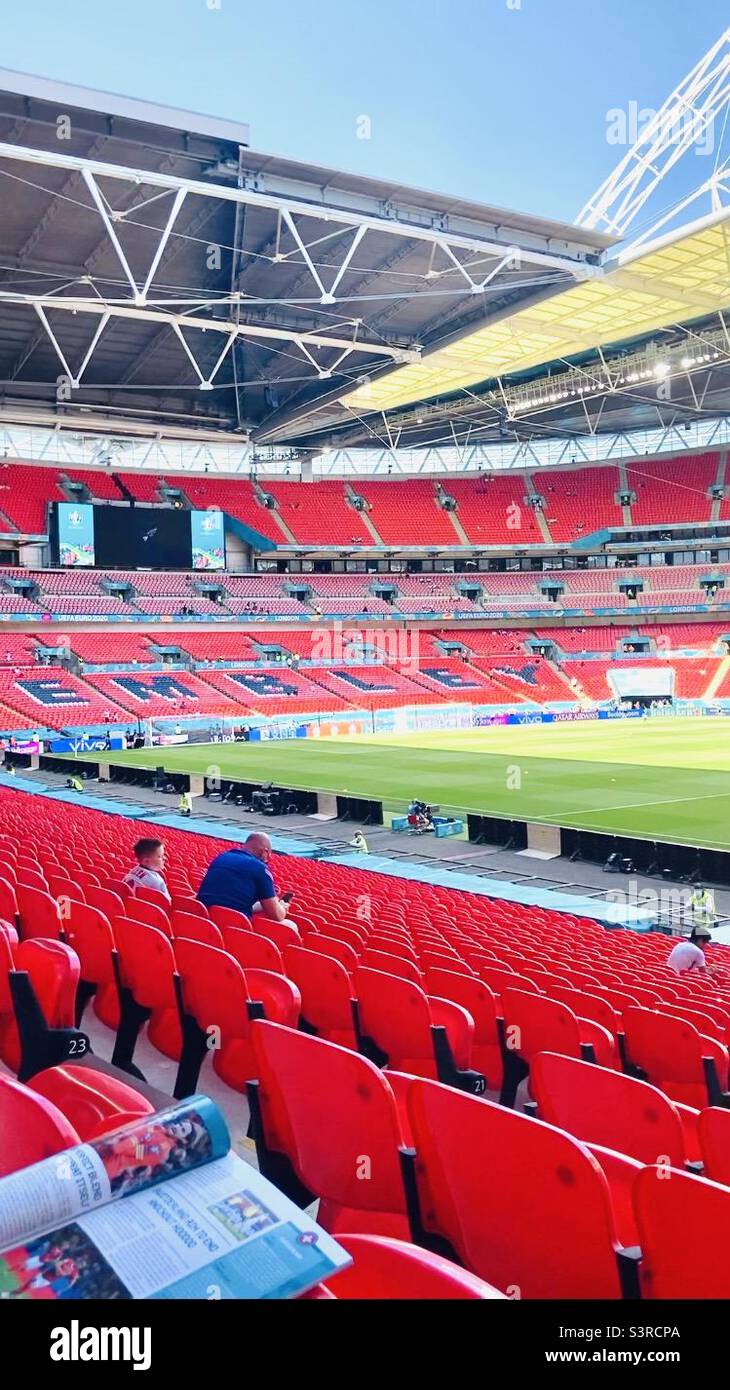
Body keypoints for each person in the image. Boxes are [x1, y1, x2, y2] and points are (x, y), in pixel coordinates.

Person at [197, 832, 294, 923]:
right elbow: (277, 916)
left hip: (204, 918)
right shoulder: (260, 869)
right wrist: (282, 907)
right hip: (235, 923)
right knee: (290, 925)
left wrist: (272, 902)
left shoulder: (221, 857)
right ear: (264, 852)